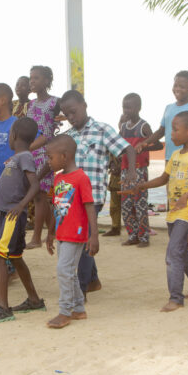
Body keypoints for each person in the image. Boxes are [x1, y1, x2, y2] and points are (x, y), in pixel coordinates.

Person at [39, 90, 137, 296]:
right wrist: (35, 179)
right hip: (71, 197)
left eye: (74, 112)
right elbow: (52, 161)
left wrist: (130, 173)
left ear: (84, 105)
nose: (72, 118)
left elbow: (128, 149)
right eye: (67, 114)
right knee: (82, 239)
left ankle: (81, 291)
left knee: (81, 242)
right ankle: (92, 280)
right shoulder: (69, 136)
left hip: (93, 196)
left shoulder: (102, 130)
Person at [124, 111, 188, 312]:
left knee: (173, 254)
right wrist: (140, 186)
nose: (171, 133)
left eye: (175, 129)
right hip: (174, 210)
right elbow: (164, 178)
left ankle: (176, 298)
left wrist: (187, 196)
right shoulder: (175, 155)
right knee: (181, 251)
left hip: (187, 211)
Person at [0, 118, 45, 324]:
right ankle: (34, 300)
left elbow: (34, 185)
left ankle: (3, 307)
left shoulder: (25, 157)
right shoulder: (17, 158)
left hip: (12, 215)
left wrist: (21, 205)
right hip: (7, 214)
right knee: (15, 257)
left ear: (14, 135)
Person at [135, 70, 188, 218]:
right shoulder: (169, 108)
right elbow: (161, 131)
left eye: (182, 86)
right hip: (172, 156)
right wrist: (145, 143)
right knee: (173, 190)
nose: (178, 89)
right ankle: (176, 217)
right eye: (176, 85)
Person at [44, 134, 98, 329]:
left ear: (64, 156)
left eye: (51, 157)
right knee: (70, 273)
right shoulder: (58, 178)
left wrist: (94, 236)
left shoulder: (81, 178)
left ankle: (65, 311)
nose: (48, 161)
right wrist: (51, 232)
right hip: (62, 233)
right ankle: (78, 309)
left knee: (63, 271)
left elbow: (90, 206)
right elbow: (55, 206)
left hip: (76, 234)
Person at [25, 65, 62, 249]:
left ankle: (37, 238)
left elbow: (49, 132)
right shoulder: (30, 105)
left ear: (47, 81)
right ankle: (53, 231)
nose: (32, 81)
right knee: (40, 196)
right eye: (31, 78)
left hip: (46, 153)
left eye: (36, 78)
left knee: (39, 196)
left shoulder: (55, 102)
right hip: (32, 153)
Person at [118, 93, 160, 247]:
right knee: (126, 204)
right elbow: (119, 143)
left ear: (138, 108)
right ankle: (132, 235)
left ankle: (144, 237)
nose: (126, 110)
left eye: (129, 107)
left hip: (139, 170)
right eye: (124, 107)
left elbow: (158, 145)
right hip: (125, 169)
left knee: (140, 204)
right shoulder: (123, 126)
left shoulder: (144, 126)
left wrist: (142, 147)